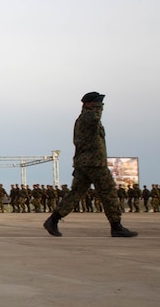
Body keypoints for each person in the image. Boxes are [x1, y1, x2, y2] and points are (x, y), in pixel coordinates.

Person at [44, 92, 137, 237]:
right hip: (94, 163)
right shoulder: (88, 117)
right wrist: (97, 108)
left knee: (76, 193)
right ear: (88, 104)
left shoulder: (84, 118)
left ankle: (53, 219)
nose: (101, 107)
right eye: (98, 103)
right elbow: (95, 118)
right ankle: (116, 226)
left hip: (84, 162)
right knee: (108, 192)